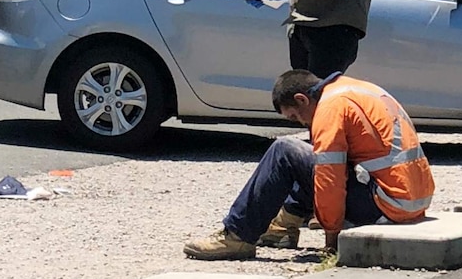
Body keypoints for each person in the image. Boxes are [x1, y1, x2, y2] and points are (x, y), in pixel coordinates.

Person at [183, 69, 435, 261]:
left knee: (285, 150)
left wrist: (332, 235)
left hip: (387, 206)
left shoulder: (329, 109)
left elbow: (330, 180)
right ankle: (283, 227)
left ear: (302, 99)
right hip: (409, 200)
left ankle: (237, 236)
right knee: (312, 158)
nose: (301, 123)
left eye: (294, 116)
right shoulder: (354, 89)